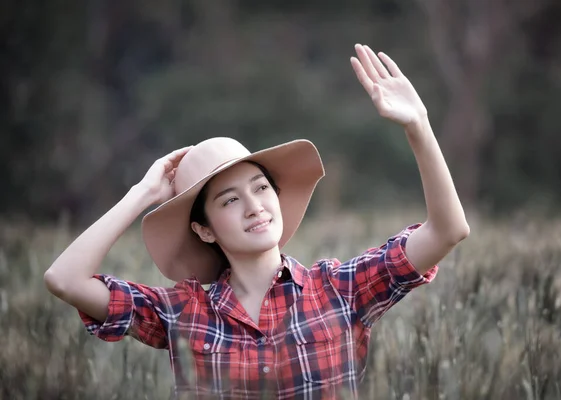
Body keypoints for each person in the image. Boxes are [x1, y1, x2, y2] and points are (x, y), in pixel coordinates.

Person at [44, 44, 469, 399]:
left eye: (261, 188)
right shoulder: (182, 314)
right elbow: (65, 279)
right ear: (203, 229)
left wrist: (419, 126)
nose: (254, 206)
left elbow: (448, 231)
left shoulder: (340, 289)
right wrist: (141, 195)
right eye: (230, 199)